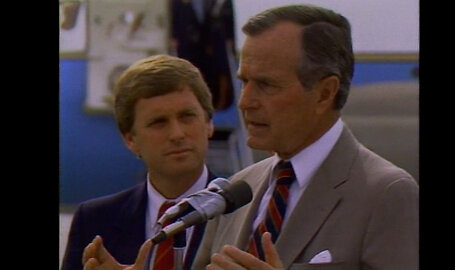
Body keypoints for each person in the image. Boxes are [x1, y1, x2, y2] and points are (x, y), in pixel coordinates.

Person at [83, 4, 419, 270]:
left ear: (324, 93)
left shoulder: (386, 194)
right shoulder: (238, 190)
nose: (245, 102)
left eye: (267, 85)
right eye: (245, 82)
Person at [61, 54, 218, 270]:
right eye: (158, 122)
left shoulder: (246, 211)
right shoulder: (94, 221)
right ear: (130, 140)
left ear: (209, 123)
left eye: (187, 116)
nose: (177, 134)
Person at [169, 0, 235, 110]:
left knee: (218, 73)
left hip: (211, 45)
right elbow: (175, 19)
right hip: (187, 45)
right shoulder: (178, 3)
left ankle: (219, 104)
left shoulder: (215, 3)